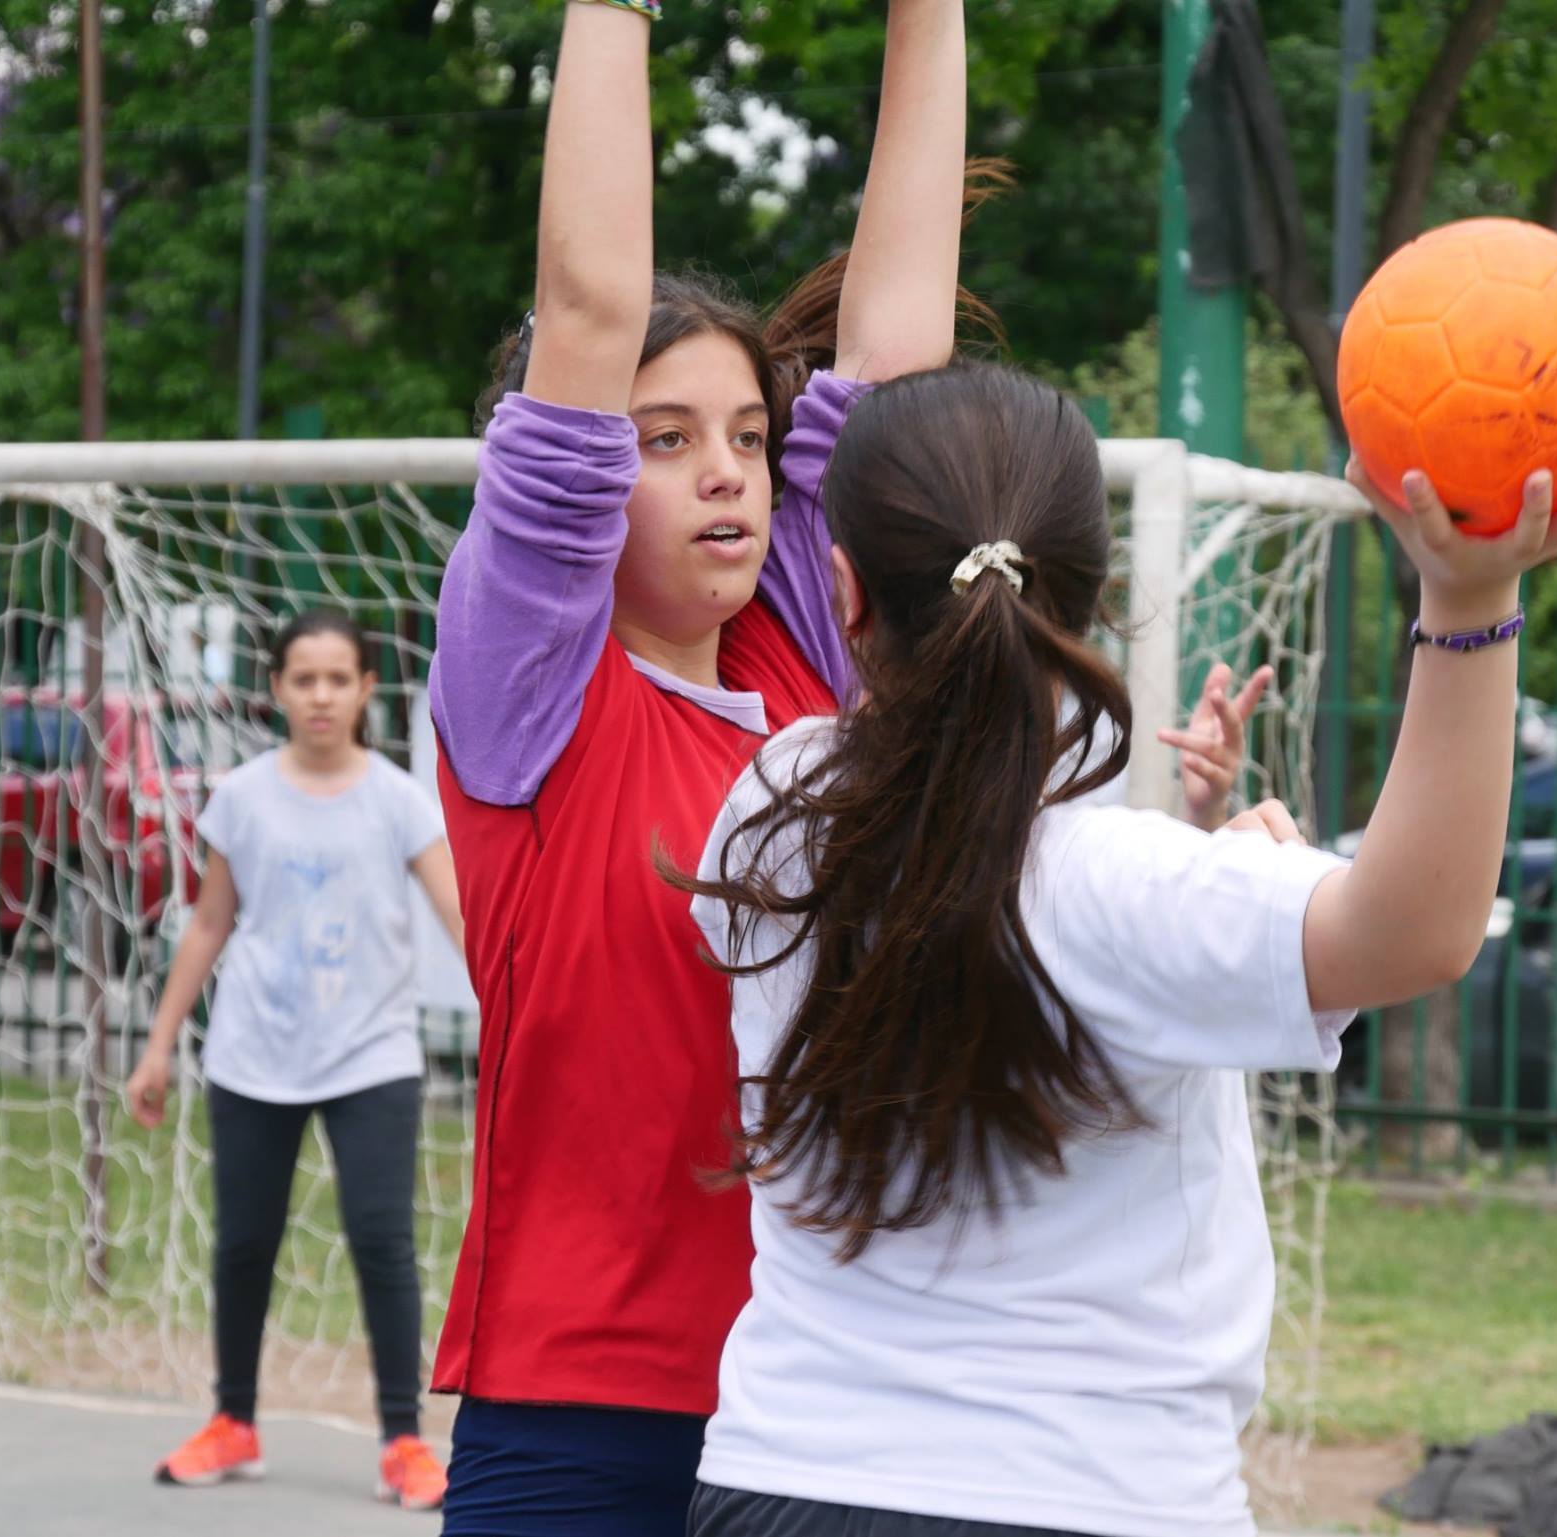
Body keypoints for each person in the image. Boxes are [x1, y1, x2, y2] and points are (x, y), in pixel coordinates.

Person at [420, 2, 1253, 1533]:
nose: (725, 472)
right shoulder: (532, 699)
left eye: (748, 435)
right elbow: (588, 311)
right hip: (585, 1410)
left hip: (809, 1416)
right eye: (663, 440)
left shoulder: (808, 674)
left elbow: (892, 364)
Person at [684, 366, 1557, 1537]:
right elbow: (1418, 932)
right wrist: (1469, 595)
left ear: (842, 591)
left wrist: (1205, 885)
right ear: (1097, 594)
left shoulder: (771, 810)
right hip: (1091, 1496)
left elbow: (968, 906)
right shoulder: (1127, 893)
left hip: (782, 1479)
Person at [124, 607, 465, 1512]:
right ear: (276, 687)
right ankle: (233, 1419)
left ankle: (403, 1440)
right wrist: (157, 1048)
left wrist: (516, 1013)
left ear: (365, 689)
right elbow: (208, 923)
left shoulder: (398, 799)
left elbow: (458, 915)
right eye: (303, 679)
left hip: (371, 1056)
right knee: (244, 1243)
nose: (320, 695)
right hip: (254, 1055)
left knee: (383, 1242)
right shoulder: (244, 797)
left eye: (337, 679)